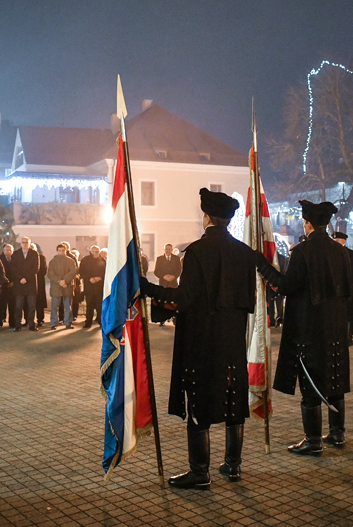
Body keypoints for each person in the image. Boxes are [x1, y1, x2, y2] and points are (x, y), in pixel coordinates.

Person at [141, 188, 257, 489]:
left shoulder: (196, 252)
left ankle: (200, 471)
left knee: (199, 399)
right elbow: (250, 299)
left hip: (201, 340)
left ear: (206, 217)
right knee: (234, 402)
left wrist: (148, 289)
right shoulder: (244, 253)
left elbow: (185, 298)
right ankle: (233, 466)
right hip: (233, 340)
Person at [255, 200, 353, 456]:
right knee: (335, 379)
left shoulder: (302, 252)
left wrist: (262, 265)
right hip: (335, 328)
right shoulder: (342, 252)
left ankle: (312, 440)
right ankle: (337, 433)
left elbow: (287, 287)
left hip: (309, 328)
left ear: (307, 223)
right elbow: (350, 293)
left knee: (311, 383)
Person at [333, 232, 353, 346]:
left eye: (337, 241)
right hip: (335, 291)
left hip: (348, 290)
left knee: (349, 315)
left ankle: (349, 336)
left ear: (343, 241)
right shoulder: (332, 254)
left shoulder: (352, 255)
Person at [10, 237, 40, 331]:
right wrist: (20, 278)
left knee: (31, 306)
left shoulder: (34, 254)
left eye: (27, 242)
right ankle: (17, 325)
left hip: (30, 283)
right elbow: (13, 268)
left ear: (30, 243)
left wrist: (26, 278)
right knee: (18, 306)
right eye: (23, 242)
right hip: (19, 284)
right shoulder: (15, 254)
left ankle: (31, 324)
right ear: (20, 244)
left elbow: (36, 268)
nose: (25, 244)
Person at [47, 244, 77, 328]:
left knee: (68, 306)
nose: (61, 252)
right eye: (59, 250)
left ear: (66, 250)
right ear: (57, 251)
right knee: (54, 307)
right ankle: (54, 323)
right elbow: (50, 274)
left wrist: (65, 281)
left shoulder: (71, 261)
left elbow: (73, 272)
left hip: (67, 286)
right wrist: (60, 281)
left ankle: (68, 323)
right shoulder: (53, 262)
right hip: (56, 287)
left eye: (63, 250)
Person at [79, 246, 106, 328]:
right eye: (94, 251)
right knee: (89, 304)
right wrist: (89, 278)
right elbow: (81, 271)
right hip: (89, 286)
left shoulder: (103, 261)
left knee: (99, 305)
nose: (96, 253)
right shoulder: (85, 260)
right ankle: (88, 321)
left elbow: (106, 271)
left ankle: (101, 321)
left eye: (97, 251)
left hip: (99, 286)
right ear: (91, 252)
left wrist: (99, 278)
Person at [0, 243, 16, 327]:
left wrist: (13, 282)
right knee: (1, 304)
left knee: (12, 305)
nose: (9, 252)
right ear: (3, 250)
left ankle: (12, 322)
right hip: (2, 286)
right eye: (7, 250)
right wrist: (5, 282)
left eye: (10, 250)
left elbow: (17, 272)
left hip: (13, 286)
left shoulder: (15, 259)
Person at [34, 244, 48, 327]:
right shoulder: (25, 258)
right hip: (28, 284)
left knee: (39, 303)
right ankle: (29, 320)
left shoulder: (42, 258)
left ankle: (40, 320)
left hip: (39, 283)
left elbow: (44, 270)